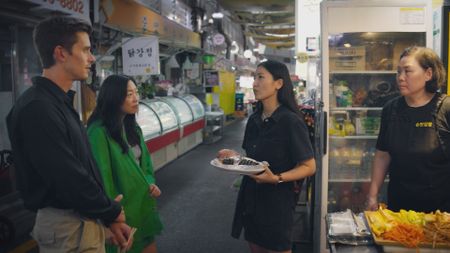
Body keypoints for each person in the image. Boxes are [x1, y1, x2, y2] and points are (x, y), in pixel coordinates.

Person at [6, 16, 132, 252]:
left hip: (80, 221)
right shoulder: (38, 108)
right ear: (61, 54)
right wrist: (112, 212)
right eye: (85, 50)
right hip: (68, 228)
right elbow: (67, 177)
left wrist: (105, 218)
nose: (92, 58)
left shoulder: (57, 103)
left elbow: (80, 167)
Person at [218, 60, 316, 253]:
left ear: (278, 83)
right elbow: (254, 159)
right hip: (251, 200)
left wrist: (277, 178)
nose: (254, 83)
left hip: (277, 204)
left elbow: (309, 166)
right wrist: (234, 157)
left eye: (260, 77)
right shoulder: (254, 119)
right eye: (254, 77)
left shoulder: (291, 121)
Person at [367, 46, 450, 213]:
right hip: (399, 210)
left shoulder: (446, 108)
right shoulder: (391, 109)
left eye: (408, 71)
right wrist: (372, 195)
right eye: (398, 72)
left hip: (439, 214)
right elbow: (383, 155)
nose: (401, 78)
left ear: (428, 74)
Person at [87, 74, 163, 253]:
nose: (136, 98)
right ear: (114, 97)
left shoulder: (132, 128)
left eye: (136, 92)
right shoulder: (98, 132)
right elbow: (102, 178)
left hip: (143, 208)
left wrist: (150, 182)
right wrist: (112, 216)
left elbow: (146, 166)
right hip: (121, 215)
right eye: (129, 94)